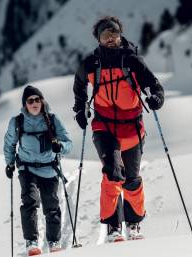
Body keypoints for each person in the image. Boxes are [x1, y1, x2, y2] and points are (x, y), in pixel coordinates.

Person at [72, 16, 165, 242]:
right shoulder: (92, 64)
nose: (111, 38)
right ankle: (114, 228)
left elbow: (155, 86)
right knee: (113, 173)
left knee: (131, 179)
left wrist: (156, 98)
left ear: (120, 34)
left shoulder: (132, 61)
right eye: (106, 35)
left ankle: (133, 225)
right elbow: (79, 86)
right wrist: (80, 109)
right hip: (104, 126)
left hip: (132, 127)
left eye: (114, 33)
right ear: (99, 39)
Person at [3, 85, 73, 255]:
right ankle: (31, 241)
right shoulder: (17, 122)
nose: (34, 103)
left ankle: (54, 241)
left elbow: (68, 143)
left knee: (52, 206)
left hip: (49, 169)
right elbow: (9, 144)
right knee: (30, 202)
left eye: (37, 99)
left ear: (42, 101)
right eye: (30, 100)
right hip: (27, 169)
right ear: (25, 104)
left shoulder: (53, 120)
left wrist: (60, 146)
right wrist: (10, 163)